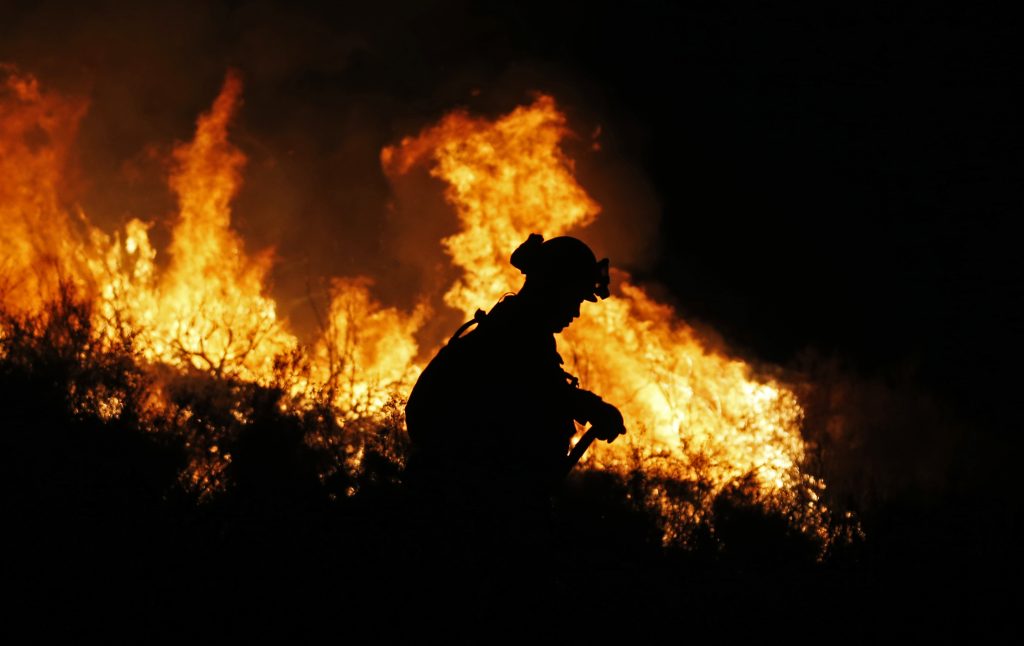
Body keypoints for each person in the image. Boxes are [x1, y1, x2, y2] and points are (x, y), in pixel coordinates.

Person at [404, 233, 626, 559]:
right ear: (554, 287)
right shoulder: (515, 332)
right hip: (470, 509)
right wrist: (591, 406)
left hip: (477, 500)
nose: (576, 312)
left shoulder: (519, 328)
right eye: (575, 298)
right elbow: (534, 387)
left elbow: (538, 387)